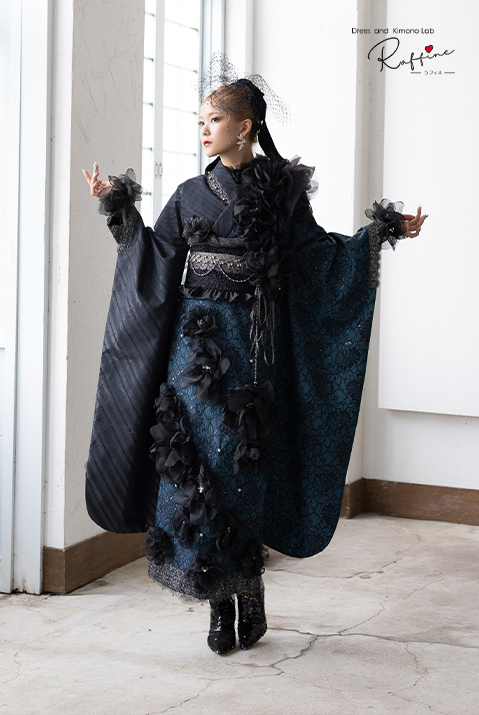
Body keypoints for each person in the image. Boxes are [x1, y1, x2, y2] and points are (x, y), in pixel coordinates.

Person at [83, 69, 426, 656]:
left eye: (214, 120)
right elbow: (156, 255)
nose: (203, 131)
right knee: (198, 472)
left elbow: (320, 256)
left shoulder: (282, 192)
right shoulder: (189, 193)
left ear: (245, 127)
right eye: (200, 122)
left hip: (254, 350)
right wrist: (117, 206)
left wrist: (380, 233)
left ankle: (251, 588)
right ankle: (219, 601)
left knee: (240, 469)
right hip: (194, 350)